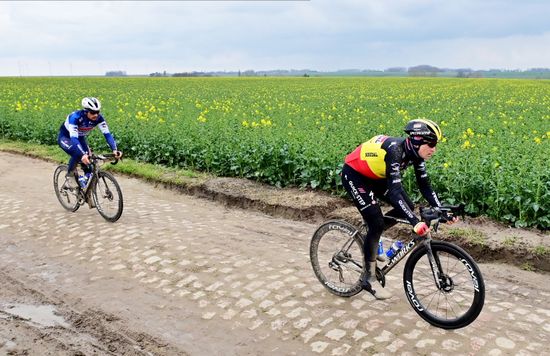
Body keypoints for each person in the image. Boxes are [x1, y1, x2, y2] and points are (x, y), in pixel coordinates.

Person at [341, 119, 458, 300]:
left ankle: (372, 235)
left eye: (436, 145)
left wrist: (441, 209)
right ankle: (369, 279)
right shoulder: (395, 150)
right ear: (418, 140)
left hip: (377, 175)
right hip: (355, 174)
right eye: (431, 144)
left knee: (407, 208)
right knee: (377, 222)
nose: (434, 149)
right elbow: (395, 192)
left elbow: (425, 185)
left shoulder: (416, 154)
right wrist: (414, 222)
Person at [58, 97, 122, 187]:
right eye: (92, 112)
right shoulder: (75, 117)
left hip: (79, 138)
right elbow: (73, 138)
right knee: (78, 154)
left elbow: (107, 134)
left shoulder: (99, 118)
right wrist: (82, 154)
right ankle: (70, 176)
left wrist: (114, 150)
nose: (95, 115)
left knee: (90, 161)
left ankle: (85, 185)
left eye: (97, 112)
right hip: (66, 138)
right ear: (85, 111)